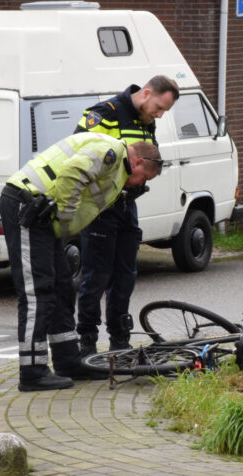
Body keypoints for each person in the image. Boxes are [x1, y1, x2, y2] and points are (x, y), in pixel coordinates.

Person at [0, 131, 163, 392]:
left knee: (63, 287)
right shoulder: (110, 153)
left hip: (43, 213)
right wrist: (64, 220)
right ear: (139, 162)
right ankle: (32, 372)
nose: (138, 185)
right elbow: (73, 171)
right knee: (37, 292)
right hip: (28, 206)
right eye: (143, 178)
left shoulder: (116, 168)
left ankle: (67, 361)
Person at [74, 75, 179, 356]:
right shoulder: (104, 114)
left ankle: (119, 338)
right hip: (100, 207)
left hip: (127, 206)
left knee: (125, 275)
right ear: (146, 94)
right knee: (96, 276)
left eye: (163, 112)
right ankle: (86, 340)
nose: (159, 114)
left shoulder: (147, 121)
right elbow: (79, 154)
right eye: (159, 107)